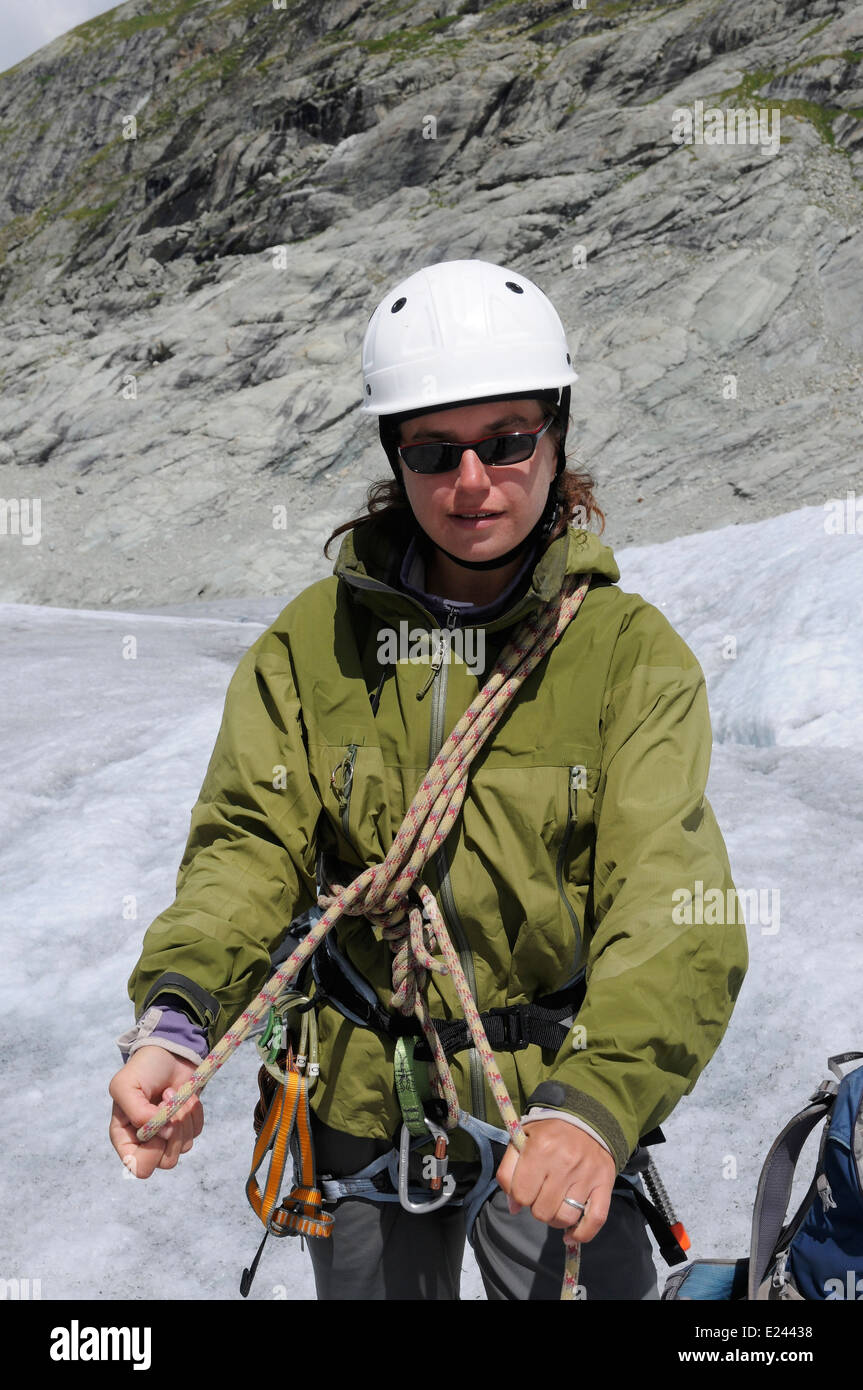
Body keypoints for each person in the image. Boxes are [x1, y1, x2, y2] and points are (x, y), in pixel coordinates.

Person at [109, 258, 748, 1301]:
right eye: (431, 449)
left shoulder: (626, 655)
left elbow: (668, 898)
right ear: (392, 458)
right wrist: (178, 1020)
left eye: (506, 441)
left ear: (555, 433)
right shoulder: (312, 646)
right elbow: (246, 849)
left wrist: (595, 1100)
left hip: (548, 1093)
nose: (470, 481)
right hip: (360, 1093)